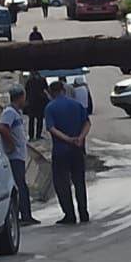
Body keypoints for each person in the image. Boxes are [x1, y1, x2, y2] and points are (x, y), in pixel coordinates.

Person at [44, 79, 90, 225]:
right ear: (63, 90)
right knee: (79, 182)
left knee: (62, 184)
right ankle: (83, 212)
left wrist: (67, 139)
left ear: (51, 93)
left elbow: (52, 128)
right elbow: (87, 123)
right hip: (77, 149)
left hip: (61, 150)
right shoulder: (76, 105)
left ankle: (69, 214)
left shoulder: (50, 107)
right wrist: (80, 138)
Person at [0, 85, 38, 226]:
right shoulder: (9, 112)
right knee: (20, 186)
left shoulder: (16, 113)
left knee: (21, 185)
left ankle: (26, 215)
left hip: (18, 156)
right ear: (21, 97)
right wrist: (11, 145)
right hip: (14, 157)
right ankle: (24, 215)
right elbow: (3, 128)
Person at [25, 70, 49, 141]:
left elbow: (26, 90)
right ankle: (38, 135)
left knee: (31, 120)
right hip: (40, 102)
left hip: (32, 102)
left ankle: (31, 136)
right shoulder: (42, 79)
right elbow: (46, 89)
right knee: (39, 119)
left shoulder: (29, 80)